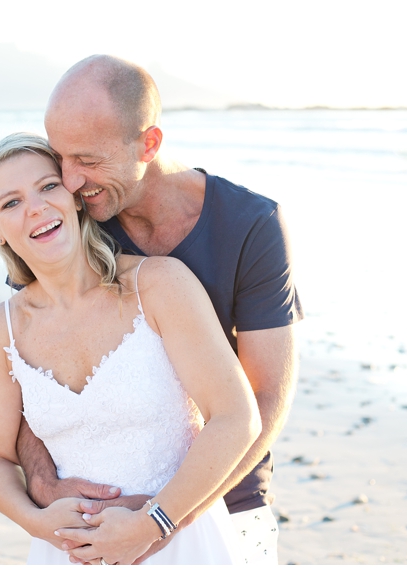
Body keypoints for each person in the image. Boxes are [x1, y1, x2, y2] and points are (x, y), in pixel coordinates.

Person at [17, 55, 304, 564]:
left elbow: (265, 401)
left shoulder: (251, 225)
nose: (70, 180)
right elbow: (25, 376)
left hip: (228, 504)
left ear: (148, 144)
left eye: (88, 159)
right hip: (92, 520)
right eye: (60, 157)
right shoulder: (66, 221)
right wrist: (44, 486)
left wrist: (163, 520)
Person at [0, 132, 263, 564]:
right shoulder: (3, 330)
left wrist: (152, 525)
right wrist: (36, 521)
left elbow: (237, 417)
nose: (36, 207)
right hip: (67, 551)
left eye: (48, 186)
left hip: (181, 542)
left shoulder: (160, 285)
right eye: (11, 202)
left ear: (74, 197)